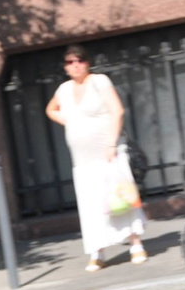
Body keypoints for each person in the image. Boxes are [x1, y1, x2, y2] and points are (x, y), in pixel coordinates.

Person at [45, 46, 147, 273]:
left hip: (107, 150)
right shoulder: (64, 89)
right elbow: (51, 110)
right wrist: (71, 121)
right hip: (82, 159)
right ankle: (97, 251)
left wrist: (111, 144)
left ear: (87, 62)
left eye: (80, 60)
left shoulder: (99, 81)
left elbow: (117, 111)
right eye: (70, 62)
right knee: (90, 204)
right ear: (65, 66)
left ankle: (135, 244)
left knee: (120, 197)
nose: (76, 65)